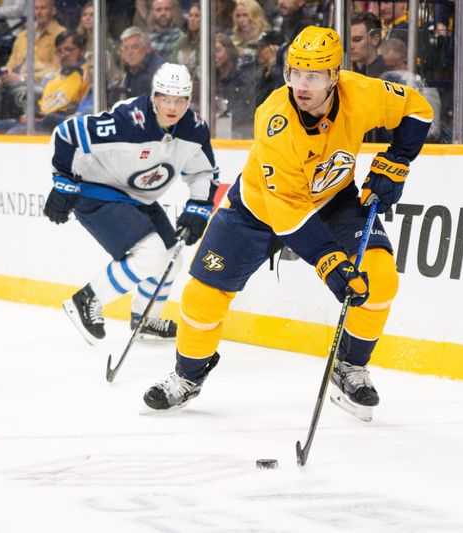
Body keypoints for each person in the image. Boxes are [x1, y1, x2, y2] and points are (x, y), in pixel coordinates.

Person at [143, 26, 433, 422]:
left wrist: (397, 161)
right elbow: (288, 210)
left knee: (380, 278)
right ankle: (187, 376)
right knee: (202, 297)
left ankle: (349, 367)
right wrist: (331, 263)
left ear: (335, 75)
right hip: (259, 209)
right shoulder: (274, 119)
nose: (301, 84)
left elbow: (417, 109)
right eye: (294, 72)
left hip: (333, 199)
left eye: (313, 75)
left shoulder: (361, 93)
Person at [43, 63, 219, 345]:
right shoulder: (129, 121)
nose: (172, 107)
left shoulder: (194, 129)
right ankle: (86, 299)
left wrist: (198, 206)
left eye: (180, 100)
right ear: (154, 96)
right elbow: (68, 133)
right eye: (165, 98)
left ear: (188, 100)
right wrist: (62, 180)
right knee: (152, 255)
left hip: (139, 198)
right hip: (97, 190)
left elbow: (204, 172)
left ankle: (144, 318)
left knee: (171, 260)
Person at [0, 30, 90, 133]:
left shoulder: (87, 74)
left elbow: (79, 107)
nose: (64, 54)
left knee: (15, 131)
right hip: (43, 120)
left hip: (60, 123)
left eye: (69, 50)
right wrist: (31, 115)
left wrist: (46, 118)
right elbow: (43, 106)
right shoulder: (53, 78)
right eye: (60, 51)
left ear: (82, 50)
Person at [0, 0, 66, 88]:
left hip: (43, 88)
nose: (38, 12)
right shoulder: (23, 35)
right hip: (15, 88)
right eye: (36, 8)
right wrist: (3, 78)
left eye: (43, 8)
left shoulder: (62, 35)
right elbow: (11, 65)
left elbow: (57, 70)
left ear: (53, 11)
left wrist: (23, 78)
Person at [108, 26, 165, 104]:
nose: (130, 52)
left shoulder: (159, 72)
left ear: (147, 48)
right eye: (126, 48)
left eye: (134, 47)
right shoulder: (125, 71)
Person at [351, 11, 388, 78]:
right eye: (347, 41)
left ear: (375, 39)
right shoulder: (346, 70)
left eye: (357, 39)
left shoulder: (386, 75)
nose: (351, 46)